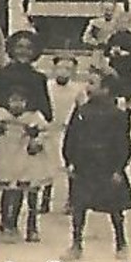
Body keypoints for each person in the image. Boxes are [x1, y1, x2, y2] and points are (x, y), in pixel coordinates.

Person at [0, 29, 51, 237]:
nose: (23, 51)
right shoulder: (2, 74)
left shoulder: (38, 79)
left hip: (25, 133)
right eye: (19, 47)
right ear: (11, 49)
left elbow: (46, 110)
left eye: (28, 48)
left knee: (21, 176)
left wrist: (33, 127)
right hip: (1, 132)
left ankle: (11, 221)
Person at [61, 70, 131, 258]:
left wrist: (119, 168)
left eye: (93, 83)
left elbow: (123, 143)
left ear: (106, 89)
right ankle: (76, 244)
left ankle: (121, 243)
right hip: (84, 165)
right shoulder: (81, 111)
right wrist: (69, 161)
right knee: (79, 207)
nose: (88, 87)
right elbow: (71, 137)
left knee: (115, 209)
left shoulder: (117, 115)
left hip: (107, 166)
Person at [0, 89, 51, 243]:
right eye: (13, 100)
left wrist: (36, 139)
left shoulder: (33, 117)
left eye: (21, 101)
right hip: (2, 153)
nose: (17, 104)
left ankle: (26, 226)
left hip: (23, 155)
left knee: (24, 188)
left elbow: (45, 131)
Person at [43, 55, 86, 214]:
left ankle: (71, 201)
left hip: (68, 131)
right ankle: (45, 201)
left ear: (74, 72)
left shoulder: (77, 90)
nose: (63, 72)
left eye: (68, 69)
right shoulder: (47, 86)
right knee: (47, 165)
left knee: (71, 166)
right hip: (48, 129)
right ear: (54, 69)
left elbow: (82, 111)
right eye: (60, 67)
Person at [102, 11, 131, 109]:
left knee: (128, 92)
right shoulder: (113, 37)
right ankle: (113, 109)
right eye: (120, 22)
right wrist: (112, 52)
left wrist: (126, 53)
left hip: (128, 68)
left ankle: (128, 109)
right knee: (113, 91)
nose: (122, 25)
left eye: (125, 22)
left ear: (129, 24)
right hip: (116, 67)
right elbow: (106, 51)